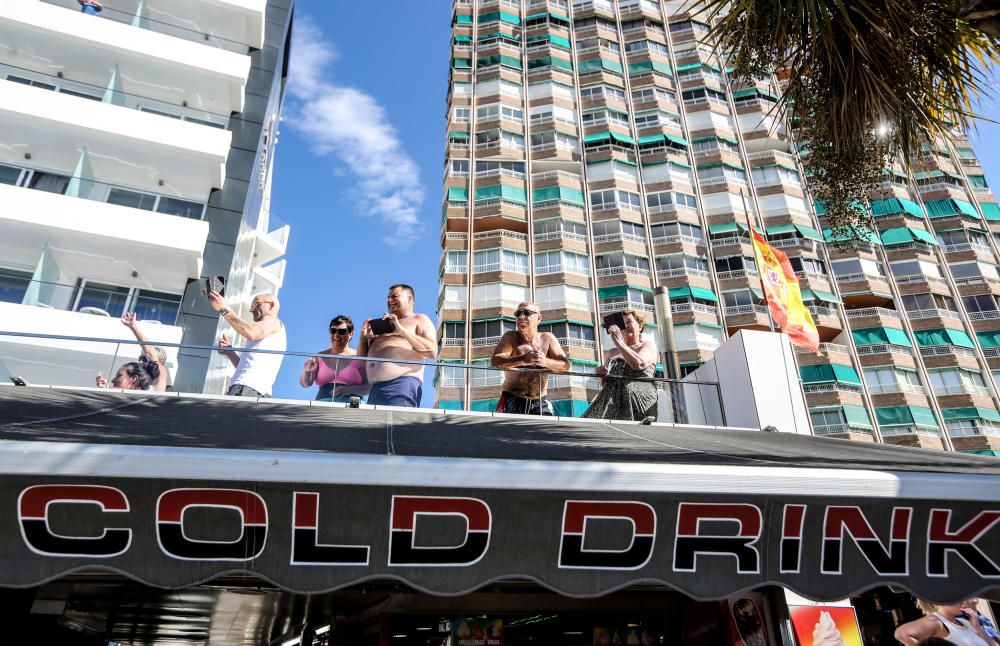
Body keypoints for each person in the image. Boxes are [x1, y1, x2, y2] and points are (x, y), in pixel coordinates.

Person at [358, 284, 436, 407]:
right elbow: (361, 363)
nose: (389, 300)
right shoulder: (383, 326)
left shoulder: (419, 319)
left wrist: (402, 331)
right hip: (375, 389)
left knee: (396, 425)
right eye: (388, 297)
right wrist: (363, 338)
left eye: (394, 296)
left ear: (409, 299)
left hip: (401, 385)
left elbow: (432, 351)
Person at [490, 301, 570, 415]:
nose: (521, 317)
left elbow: (566, 365)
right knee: (510, 433)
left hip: (540, 401)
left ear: (539, 318)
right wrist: (523, 359)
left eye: (527, 313)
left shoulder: (547, 338)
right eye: (518, 314)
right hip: (512, 399)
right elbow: (495, 361)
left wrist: (545, 362)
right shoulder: (510, 337)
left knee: (546, 431)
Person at [582, 309, 658, 421]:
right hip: (613, 403)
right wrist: (602, 375)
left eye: (629, 322)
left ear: (640, 326)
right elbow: (605, 384)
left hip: (640, 402)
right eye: (622, 324)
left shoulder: (647, 346)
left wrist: (618, 341)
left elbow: (639, 364)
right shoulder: (612, 352)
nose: (625, 326)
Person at [208, 291, 286, 397]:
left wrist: (224, 308)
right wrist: (230, 353)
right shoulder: (272, 332)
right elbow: (248, 367)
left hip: (248, 389)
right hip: (253, 390)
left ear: (271, 305)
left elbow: (251, 332)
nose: (251, 310)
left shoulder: (273, 321)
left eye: (256, 304)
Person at [299, 315, 369, 403]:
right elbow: (305, 384)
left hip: (353, 403)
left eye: (342, 331)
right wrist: (307, 371)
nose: (336, 334)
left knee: (352, 415)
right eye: (333, 331)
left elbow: (368, 387)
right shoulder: (319, 356)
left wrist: (349, 389)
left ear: (351, 334)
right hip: (324, 402)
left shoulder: (359, 357)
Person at [895, 599, 994, 646]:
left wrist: (977, 627)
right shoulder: (936, 622)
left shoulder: (965, 622)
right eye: (957, 598)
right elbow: (901, 634)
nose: (963, 601)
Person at [120, 312, 169, 392]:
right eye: (140, 358)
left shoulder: (160, 371)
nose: (140, 361)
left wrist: (133, 327)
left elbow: (149, 351)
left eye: (145, 359)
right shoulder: (143, 377)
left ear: (159, 361)